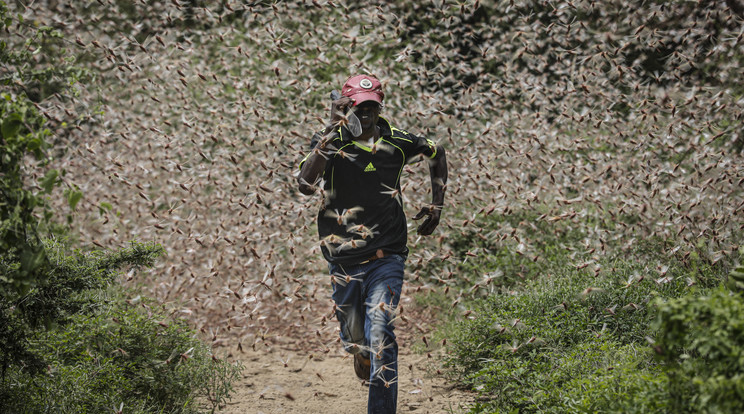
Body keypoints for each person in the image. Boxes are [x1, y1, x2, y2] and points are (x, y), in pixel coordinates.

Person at [297, 74, 447, 414]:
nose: (366, 115)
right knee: (357, 340)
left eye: (371, 108)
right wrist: (333, 130)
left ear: (379, 108)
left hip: (387, 257)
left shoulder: (398, 141)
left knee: (381, 334)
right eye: (358, 108)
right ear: (347, 108)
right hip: (345, 262)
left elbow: (436, 153)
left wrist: (437, 204)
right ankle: (359, 351)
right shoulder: (330, 143)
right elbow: (306, 184)